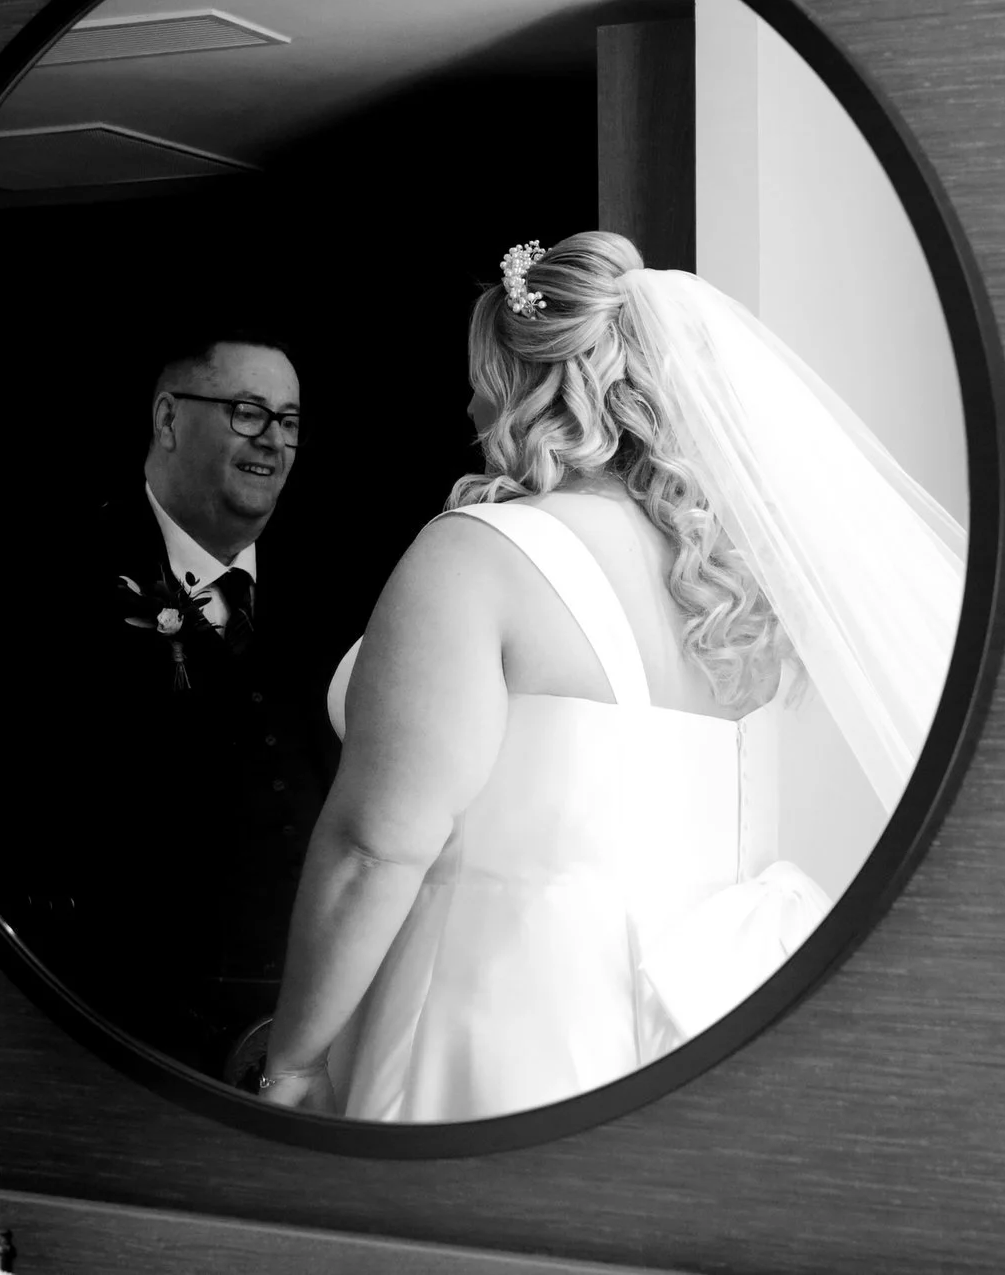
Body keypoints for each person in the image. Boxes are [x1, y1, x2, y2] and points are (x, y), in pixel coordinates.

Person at [259, 233, 964, 1121]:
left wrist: (290, 1063)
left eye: (479, 372)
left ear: (519, 383)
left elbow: (374, 848)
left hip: (507, 1016)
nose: (469, 398)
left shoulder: (478, 556)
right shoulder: (736, 576)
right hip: (715, 1020)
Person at [0, 327, 346, 1082]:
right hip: (118, 1021)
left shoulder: (336, 572)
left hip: (307, 1011)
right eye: (246, 411)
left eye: (289, 420)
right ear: (168, 419)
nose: (273, 439)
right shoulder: (54, 570)